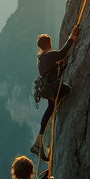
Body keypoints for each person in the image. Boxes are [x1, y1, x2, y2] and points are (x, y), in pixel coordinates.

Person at [31, 25, 80, 160]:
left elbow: (54, 68)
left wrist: (61, 66)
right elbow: (63, 53)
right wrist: (72, 36)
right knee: (66, 90)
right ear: (49, 43)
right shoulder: (50, 55)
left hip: (47, 89)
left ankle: (39, 140)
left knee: (51, 107)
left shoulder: (41, 58)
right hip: (52, 89)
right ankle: (39, 141)